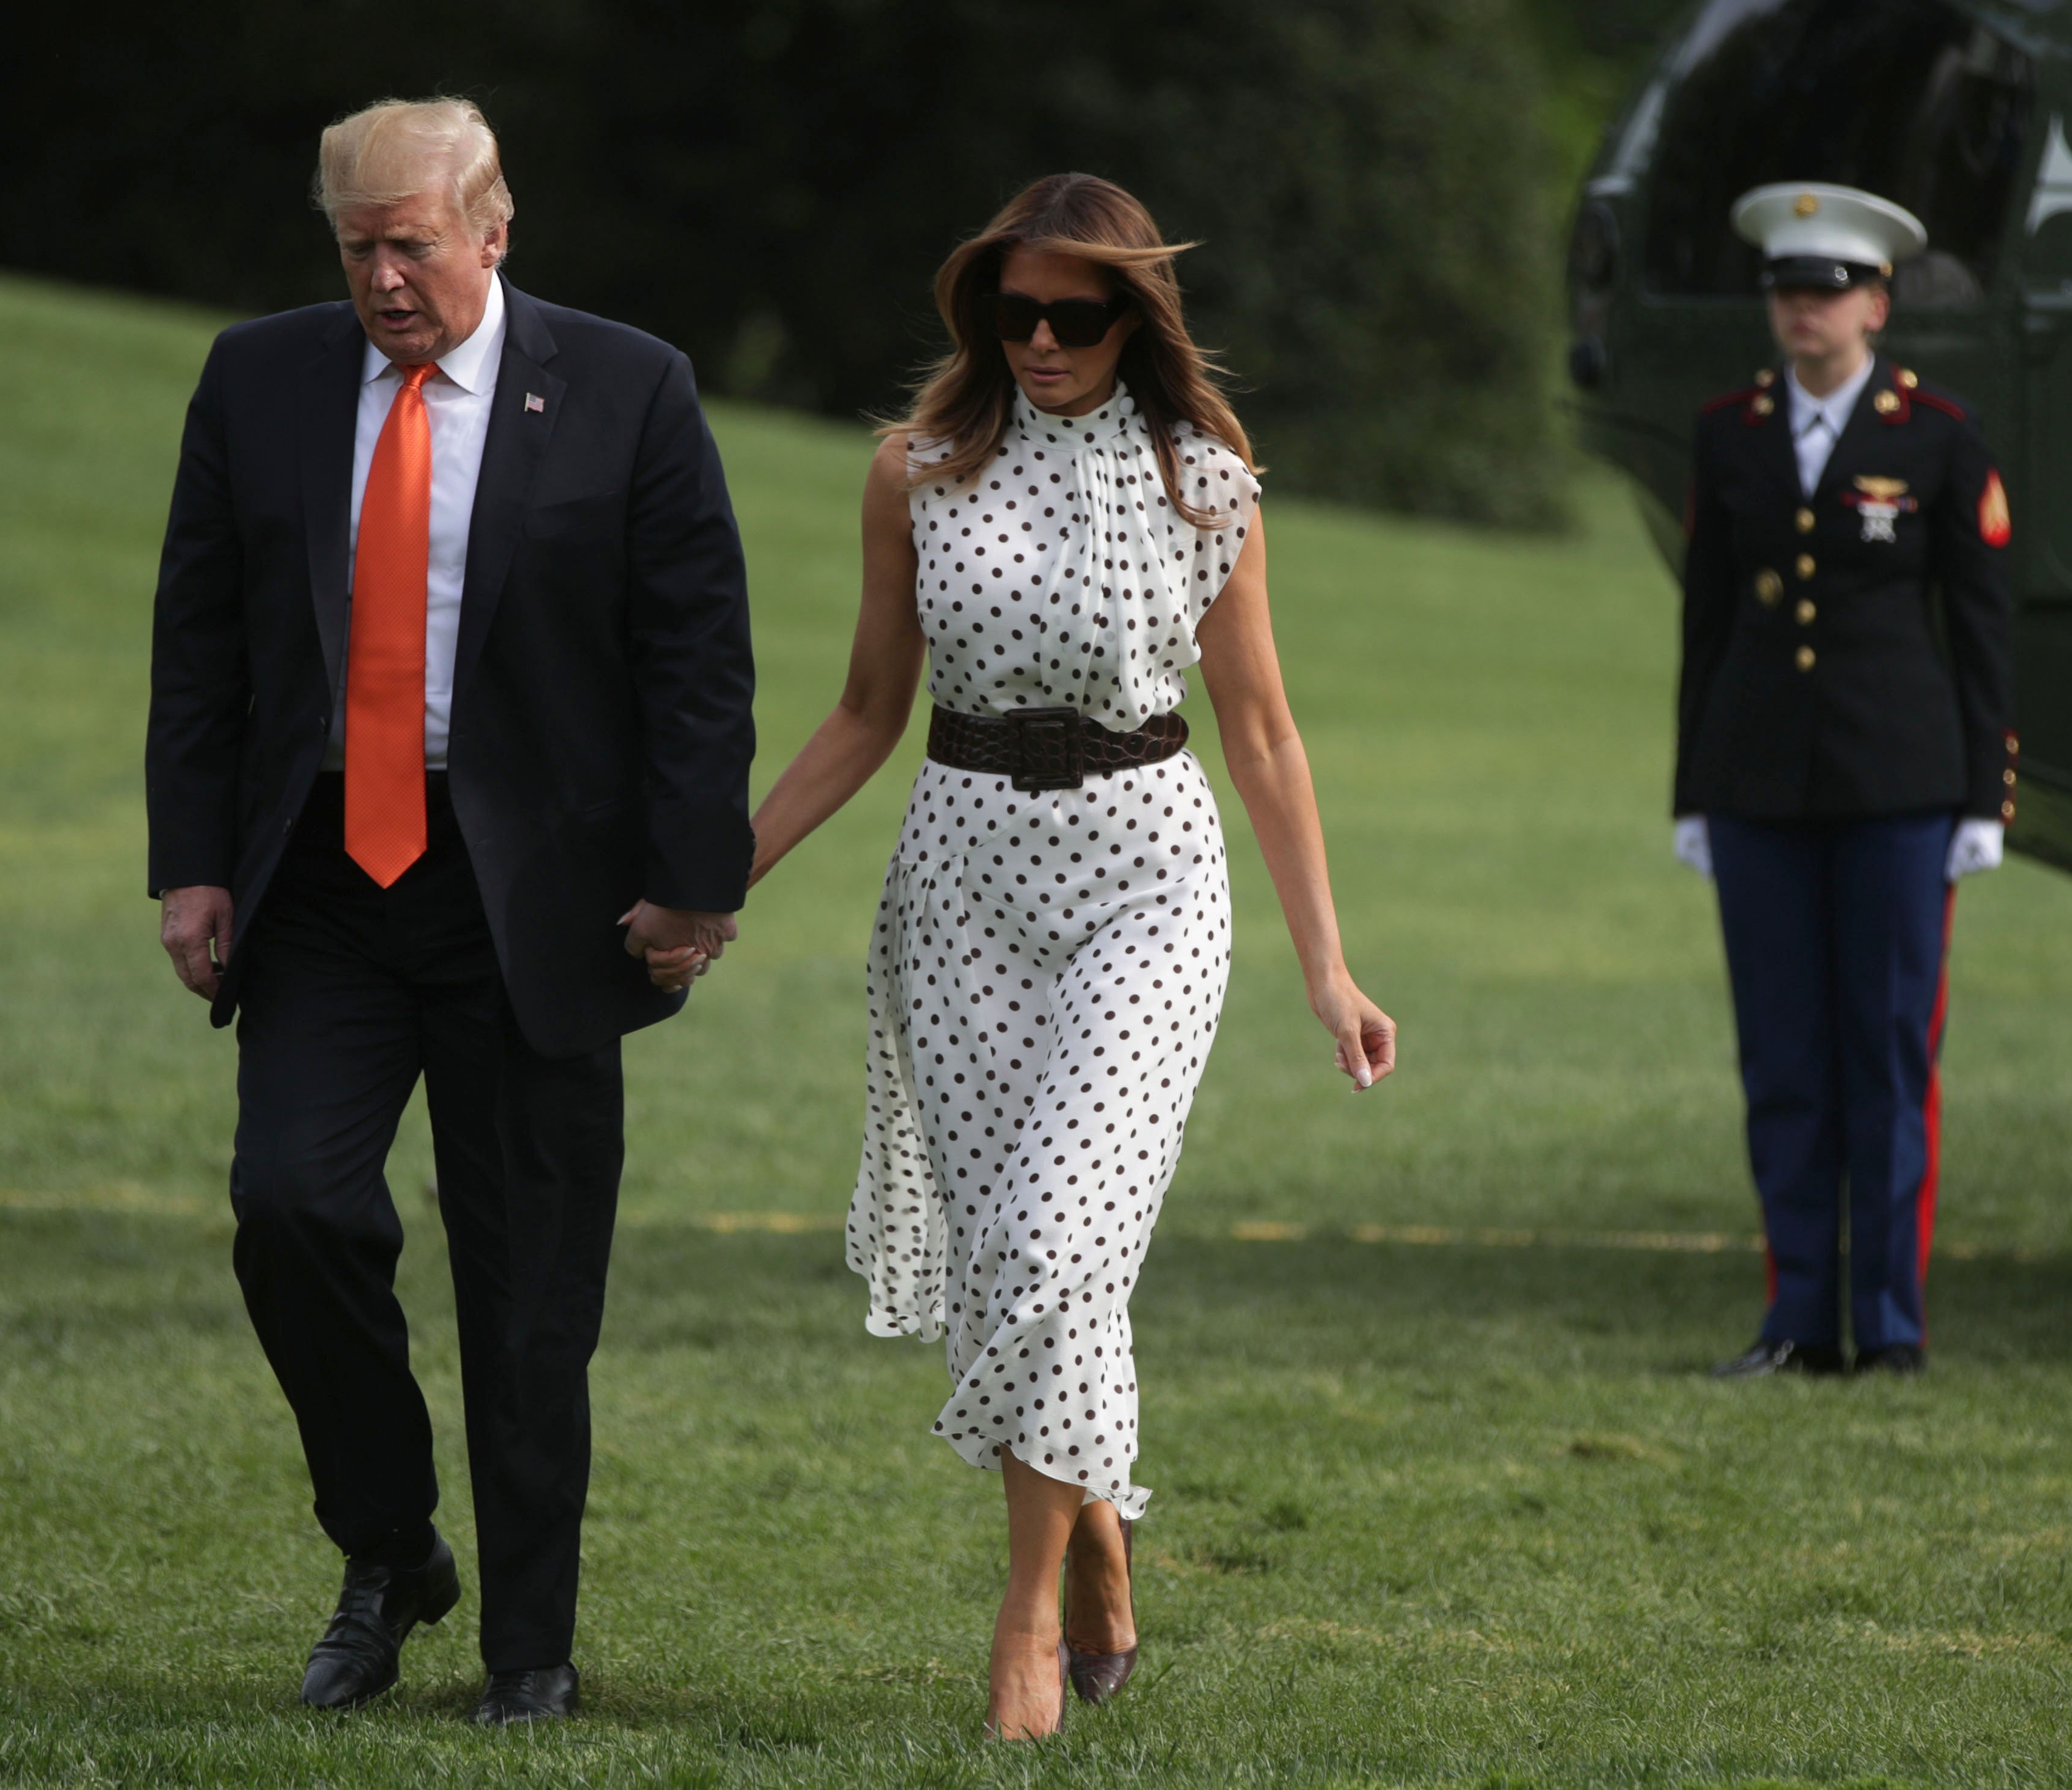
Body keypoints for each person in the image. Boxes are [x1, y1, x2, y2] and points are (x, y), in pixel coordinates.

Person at [736, 172, 1396, 1741]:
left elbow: (1265, 733)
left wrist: (1330, 968)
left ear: (1132, 321)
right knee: (1014, 1276)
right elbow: (862, 714)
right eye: (1011, 311)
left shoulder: (1203, 476)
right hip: (958, 881)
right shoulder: (917, 470)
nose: (1038, 338)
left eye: (1073, 315)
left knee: (1051, 1238)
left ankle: (1026, 1617)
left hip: (1149, 883)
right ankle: (1099, 1548)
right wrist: (720, 878)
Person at [143, 97, 752, 1724]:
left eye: (410, 242)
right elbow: (201, 639)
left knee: (529, 1294)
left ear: (493, 226)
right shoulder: (258, 377)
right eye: (357, 246)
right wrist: (190, 859)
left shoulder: (629, 387)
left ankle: (528, 1655)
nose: (383, 278)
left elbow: (696, 660)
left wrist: (699, 877)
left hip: (536, 908)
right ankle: (392, 1543)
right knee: (291, 1207)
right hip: (327, 887)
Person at [1672, 183, 2015, 1380]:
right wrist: (1690, 792)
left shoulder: (1938, 434)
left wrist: (1983, 798)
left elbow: (1979, 632)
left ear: (1875, 303)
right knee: (1782, 1060)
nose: (1802, 311)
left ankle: (1895, 1327)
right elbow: (1705, 623)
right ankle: (1800, 1322)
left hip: (1900, 789)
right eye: (1785, 290)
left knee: (1884, 1054)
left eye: (1826, 292)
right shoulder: (1730, 429)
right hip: (1759, 787)